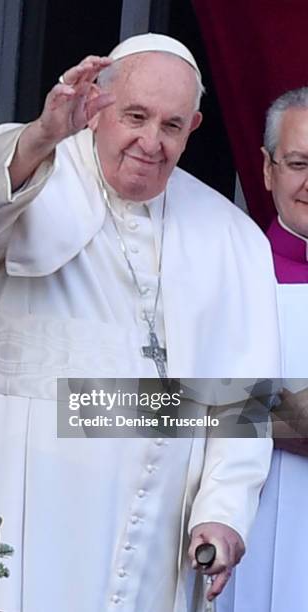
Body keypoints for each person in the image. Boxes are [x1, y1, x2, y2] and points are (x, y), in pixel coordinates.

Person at [0, 33, 281, 612]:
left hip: (154, 535)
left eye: (172, 125)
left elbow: (243, 399)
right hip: (8, 504)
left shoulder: (231, 236)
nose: (150, 142)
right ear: (96, 105)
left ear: (194, 127)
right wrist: (40, 135)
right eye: (135, 116)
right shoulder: (29, 167)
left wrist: (223, 513)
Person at [217, 87, 308, 612]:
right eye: (298, 163)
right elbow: (144, 402)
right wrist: (277, 413)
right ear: (268, 169)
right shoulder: (225, 272)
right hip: (246, 518)